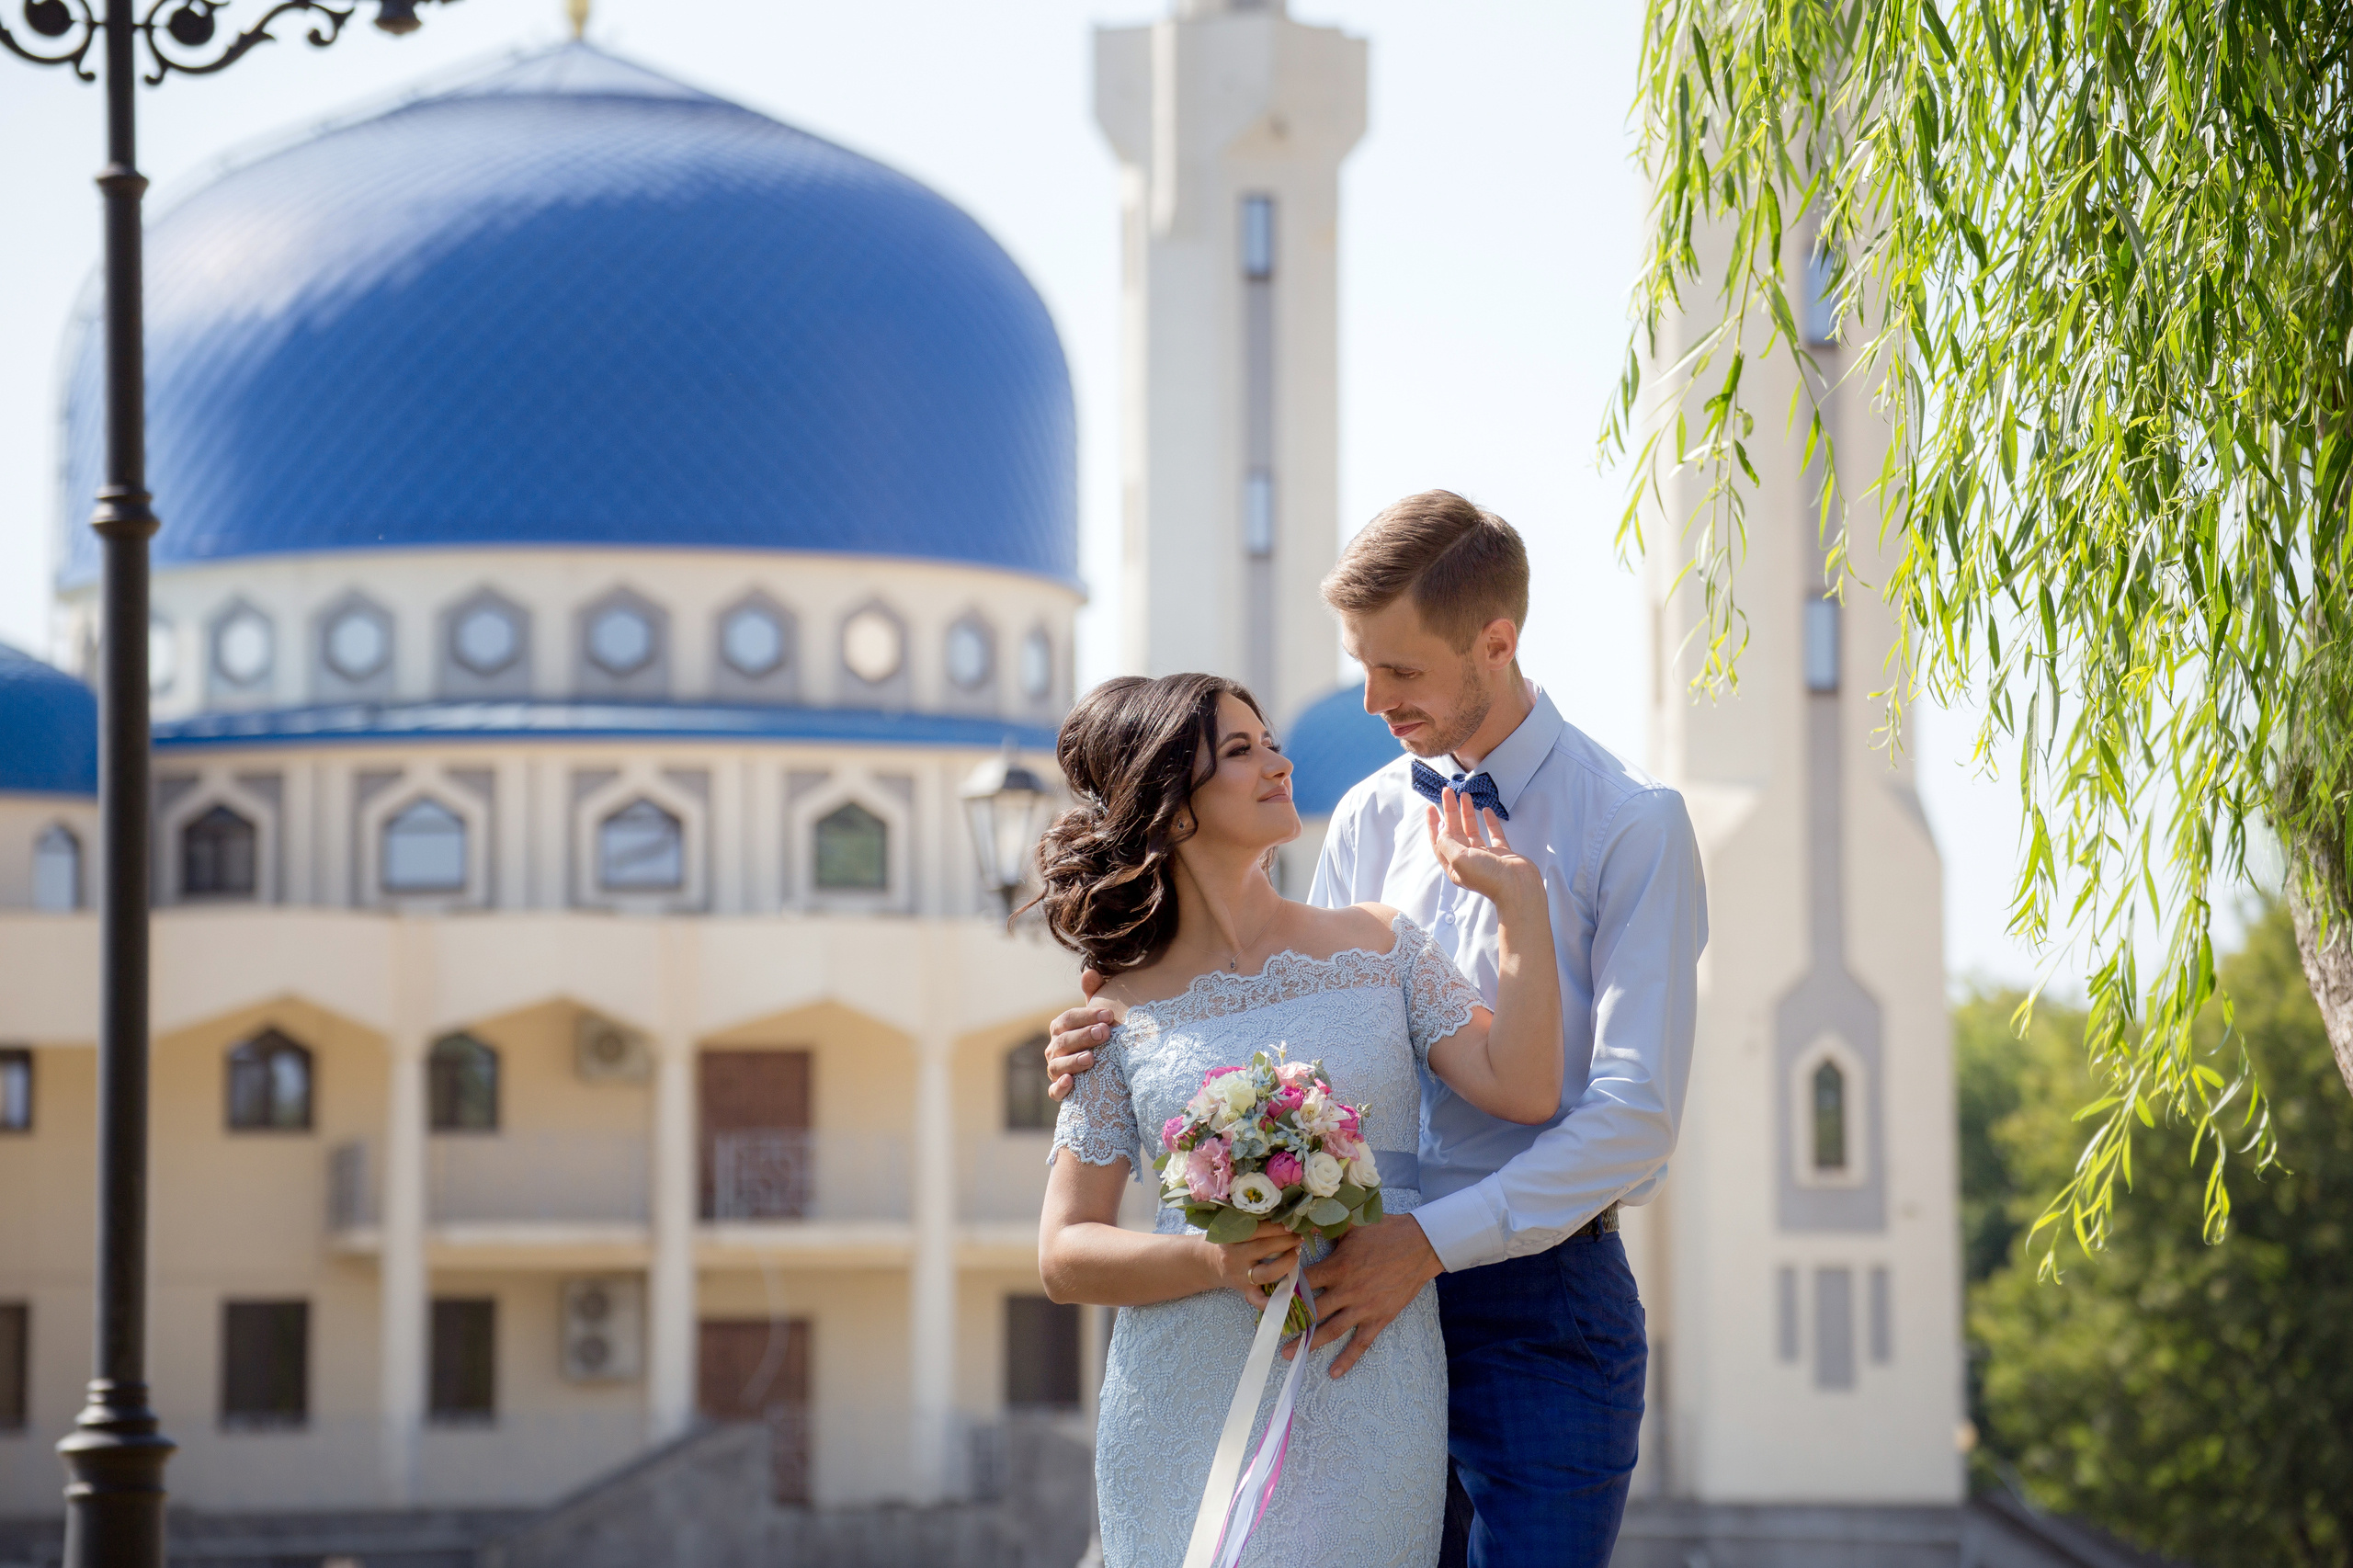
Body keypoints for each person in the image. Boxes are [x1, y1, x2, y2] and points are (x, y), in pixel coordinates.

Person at [1047, 491, 1706, 1568]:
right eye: (1361, 664)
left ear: (1494, 644)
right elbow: (1286, 1024)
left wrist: (1428, 1243)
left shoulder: (1631, 823)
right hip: (1346, 1296)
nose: (1369, 699)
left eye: (1398, 671)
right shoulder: (1367, 813)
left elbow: (1634, 1117)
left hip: (1536, 1298)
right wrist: (1119, 1039)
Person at [1034, 670, 1567, 1568]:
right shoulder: (1116, 1011)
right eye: (1239, 751)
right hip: (1182, 1388)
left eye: (1268, 740)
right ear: (1171, 807)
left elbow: (1522, 1086)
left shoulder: (1382, 946)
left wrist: (1522, 913)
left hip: (1366, 1365)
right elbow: (1064, 1251)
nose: (1277, 763)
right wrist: (1209, 1255)